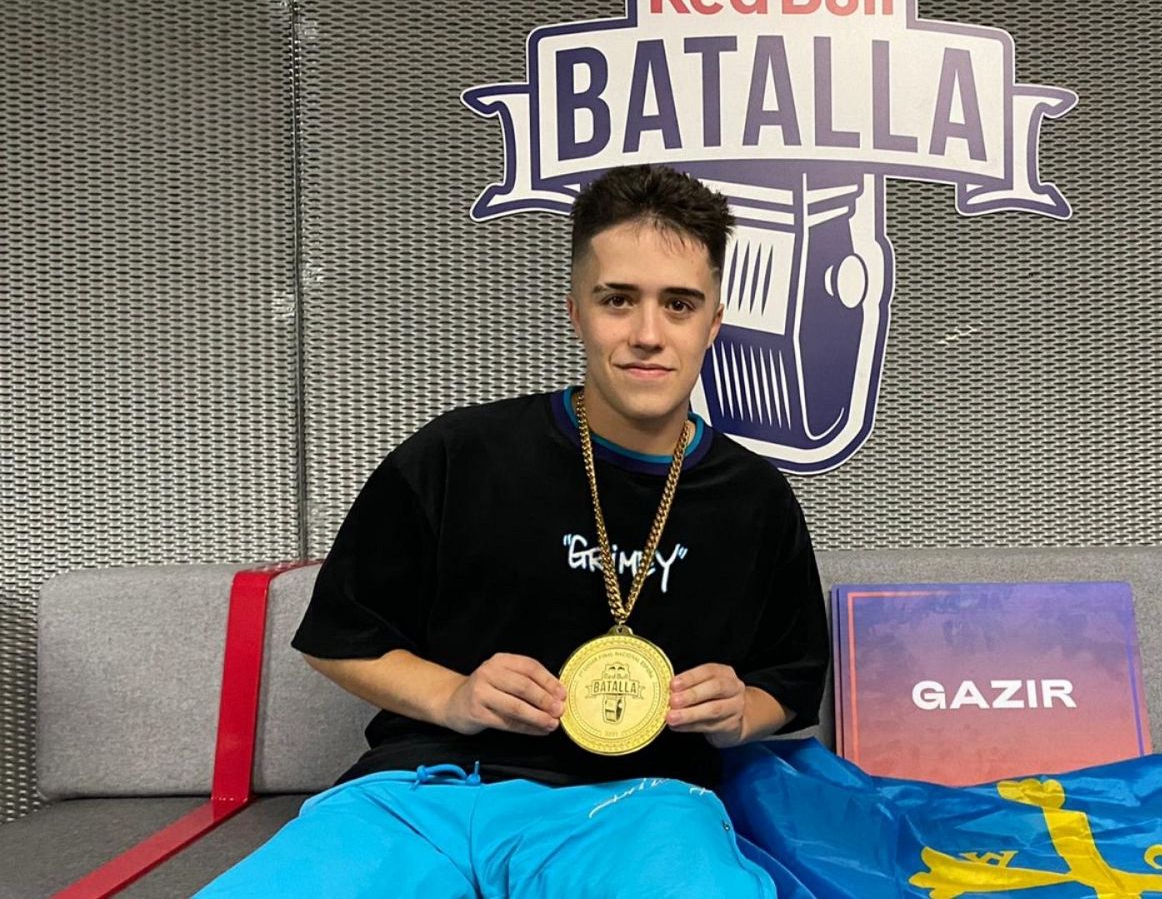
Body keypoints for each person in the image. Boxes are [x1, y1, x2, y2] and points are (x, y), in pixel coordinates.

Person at [198, 165, 830, 898]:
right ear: (576, 311)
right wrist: (454, 696)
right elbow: (341, 639)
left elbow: (787, 680)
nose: (648, 335)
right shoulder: (459, 453)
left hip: (640, 801)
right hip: (422, 792)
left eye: (679, 304)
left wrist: (733, 713)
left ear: (713, 322)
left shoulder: (756, 498)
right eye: (618, 300)